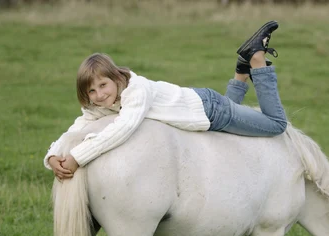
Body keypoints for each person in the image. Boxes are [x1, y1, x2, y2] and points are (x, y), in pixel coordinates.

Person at [45, 21, 287, 181]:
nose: (99, 95)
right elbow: (78, 126)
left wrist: (77, 157)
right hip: (201, 104)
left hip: (210, 110)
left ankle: (256, 58)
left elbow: (124, 128)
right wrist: (54, 155)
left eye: (103, 85)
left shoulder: (136, 90)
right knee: (229, 117)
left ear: (116, 77)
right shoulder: (103, 103)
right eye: (91, 91)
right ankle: (241, 69)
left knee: (276, 124)